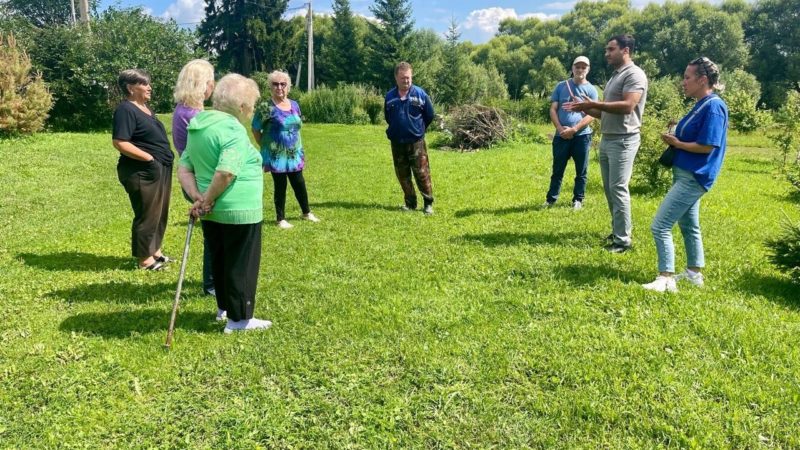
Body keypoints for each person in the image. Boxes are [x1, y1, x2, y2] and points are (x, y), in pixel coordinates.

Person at [177, 73, 272, 333]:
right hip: (238, 211)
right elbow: (226, 172)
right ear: (242, 107)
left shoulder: (200, 125)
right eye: (252, 106)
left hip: (213, 213)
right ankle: (240, 319)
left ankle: (224, 308)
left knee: (220, 259)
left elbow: (184, 168)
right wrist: (206, 199)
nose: (252, 112)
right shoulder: (232, 129)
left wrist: (198, 197)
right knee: (241, 263)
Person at [642, 57, 729, 293]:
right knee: (689, 225)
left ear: (703, 80)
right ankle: (693, 274)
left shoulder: (714, 106)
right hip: (686, 174)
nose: (683, 82)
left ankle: (666, 278)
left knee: (660, 225)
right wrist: (677, 134)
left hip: (694, 176)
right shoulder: (701, 103)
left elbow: (708, 146)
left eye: (687, 78)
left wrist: (677, 143)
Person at [565, 35, 648, 252]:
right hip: (609, 137)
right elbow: (605, 113)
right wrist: (583, 108)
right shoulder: (614, 76)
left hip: (624, 139)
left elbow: (628, 106)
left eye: (611, 49)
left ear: (626, 50)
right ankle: (618, 232)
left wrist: (593, 102)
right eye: (606, 49)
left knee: (618, 188)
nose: (607, 53)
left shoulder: (634, 74)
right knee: (611, 190)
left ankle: (623, 241)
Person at [112, 69, 173, 271]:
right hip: (141, 170)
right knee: (147, 213)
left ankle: (155, 251)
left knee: (159, 211)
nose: (150, 87)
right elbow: (120, 142)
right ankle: (145, 260)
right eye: (144, 84)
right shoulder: (125, 110)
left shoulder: (145, 108)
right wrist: (149, 159)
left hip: (159, 168)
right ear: (130, 88)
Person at [251, 70, 320, 229]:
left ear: (288, 86)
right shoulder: (265, 107)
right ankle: (280, 218)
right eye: (275, 84)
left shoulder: (294, 104)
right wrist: (265, 146)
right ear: (270, 86)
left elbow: (297, 127)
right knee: (280, 185)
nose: (279, 87)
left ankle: (306, 212)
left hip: (294, 153)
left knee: (299, 182)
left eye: (283, 84)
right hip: (276, 155)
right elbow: (255, 129)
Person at [172, 59, 216, 297]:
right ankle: (211, 284)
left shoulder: (187, 110)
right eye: (210, 81)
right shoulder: (191, 115)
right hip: (200, 181)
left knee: (214, 233)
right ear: (201, 84)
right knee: (213, 235)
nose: (213, 86)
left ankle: (213, 281)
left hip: (199, 176)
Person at [543, 55, 598, 210]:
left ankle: (578, 200)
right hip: (561, 136)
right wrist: (561, 129)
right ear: (572, 68)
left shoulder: (591, 90)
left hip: (582, 136)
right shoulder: (561, 86)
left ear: (588, 70)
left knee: (581, 170)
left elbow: (592, 115)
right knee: (557, 169)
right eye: (577, 66)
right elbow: (553, 109)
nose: (580, 70)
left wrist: (574, 129)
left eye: (583, 67)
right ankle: (551, 199)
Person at [384, 61, 436, 215]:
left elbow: (430, 115)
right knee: (402, 174)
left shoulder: (420, 94)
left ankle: (428, 203)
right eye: (402, 78)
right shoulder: (390, 97)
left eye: (408, 78)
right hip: (397, 142)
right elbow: (388, 117)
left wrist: (418, 129)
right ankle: (410, 202)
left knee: (422, 173)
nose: (406, 81)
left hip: (416, 142)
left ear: (411, 77)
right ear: (396, 78)